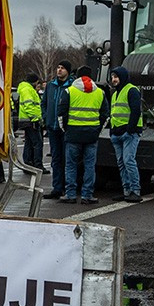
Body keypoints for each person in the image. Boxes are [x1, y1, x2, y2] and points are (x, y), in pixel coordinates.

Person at [59, 65, 106, 205]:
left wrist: (65, 129)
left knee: (71, 165)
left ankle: (70, 194)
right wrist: (98, 130)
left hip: (73, 133)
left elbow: (61, 113)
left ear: (77, 76)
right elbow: (105, 114)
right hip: (92, 134)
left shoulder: (69, 91)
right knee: (90, 166)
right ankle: (87, 195)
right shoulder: (100, 93)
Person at [109, 66, 144, 203]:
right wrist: (112, 131)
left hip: (129, 133)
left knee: (128, 161)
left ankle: (135, 190)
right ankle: (127, 191)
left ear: (122, 77)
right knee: (122, 163)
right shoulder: (115, 94)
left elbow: (136, 111)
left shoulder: (131, 90)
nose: (113, 80)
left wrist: (129, 130)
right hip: (117, 133)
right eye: (112, 77)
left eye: (116, 77)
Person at [42, 60, 74, 200]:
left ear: (68, 71)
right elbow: (44, 104)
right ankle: (57, 187)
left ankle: (69, 188)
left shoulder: (72, 86)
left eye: (62, 68)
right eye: (58, 67)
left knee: (67, 159)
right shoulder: (51, 86)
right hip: (53, 127)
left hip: (66, 128)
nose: (59, 70)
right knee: (55, 159)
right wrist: (46, 117)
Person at [17, 72, 47, 173]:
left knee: (29, 143)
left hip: (27, 121)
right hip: (30, 121)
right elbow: (29, 106)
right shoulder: (28, 90)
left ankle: (28, 164)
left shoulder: (26, 88)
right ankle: (37, 165)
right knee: (38, 143)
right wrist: (36, 119)